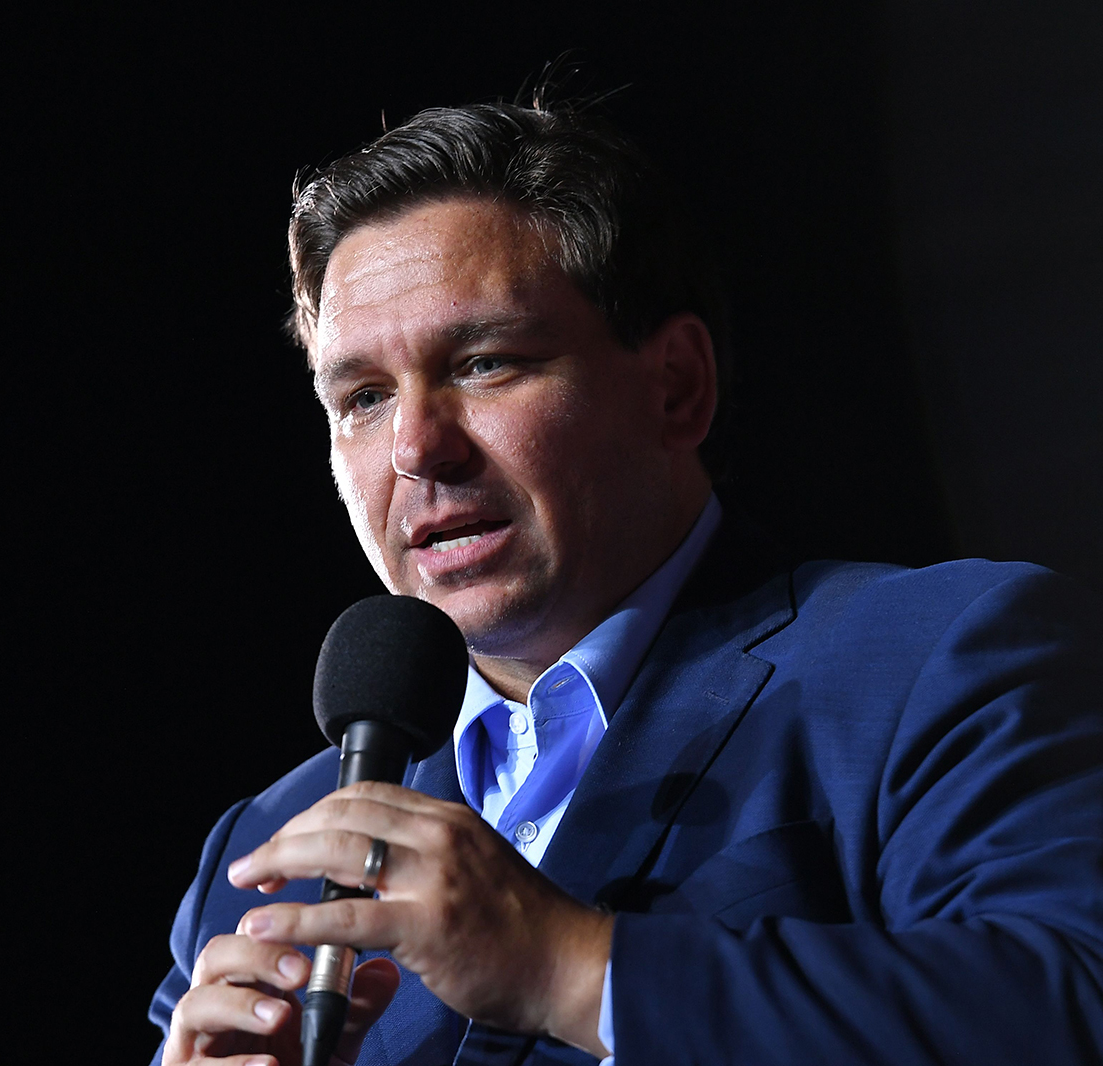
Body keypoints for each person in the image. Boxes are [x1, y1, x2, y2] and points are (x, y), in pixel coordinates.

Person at [148, 102, 1103, 1066]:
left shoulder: (942, 658)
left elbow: (1070, 1002)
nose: (415, 448)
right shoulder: (267, 855)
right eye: (362, 398)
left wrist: (570, 967)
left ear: (677, 386)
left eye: (485, 363)